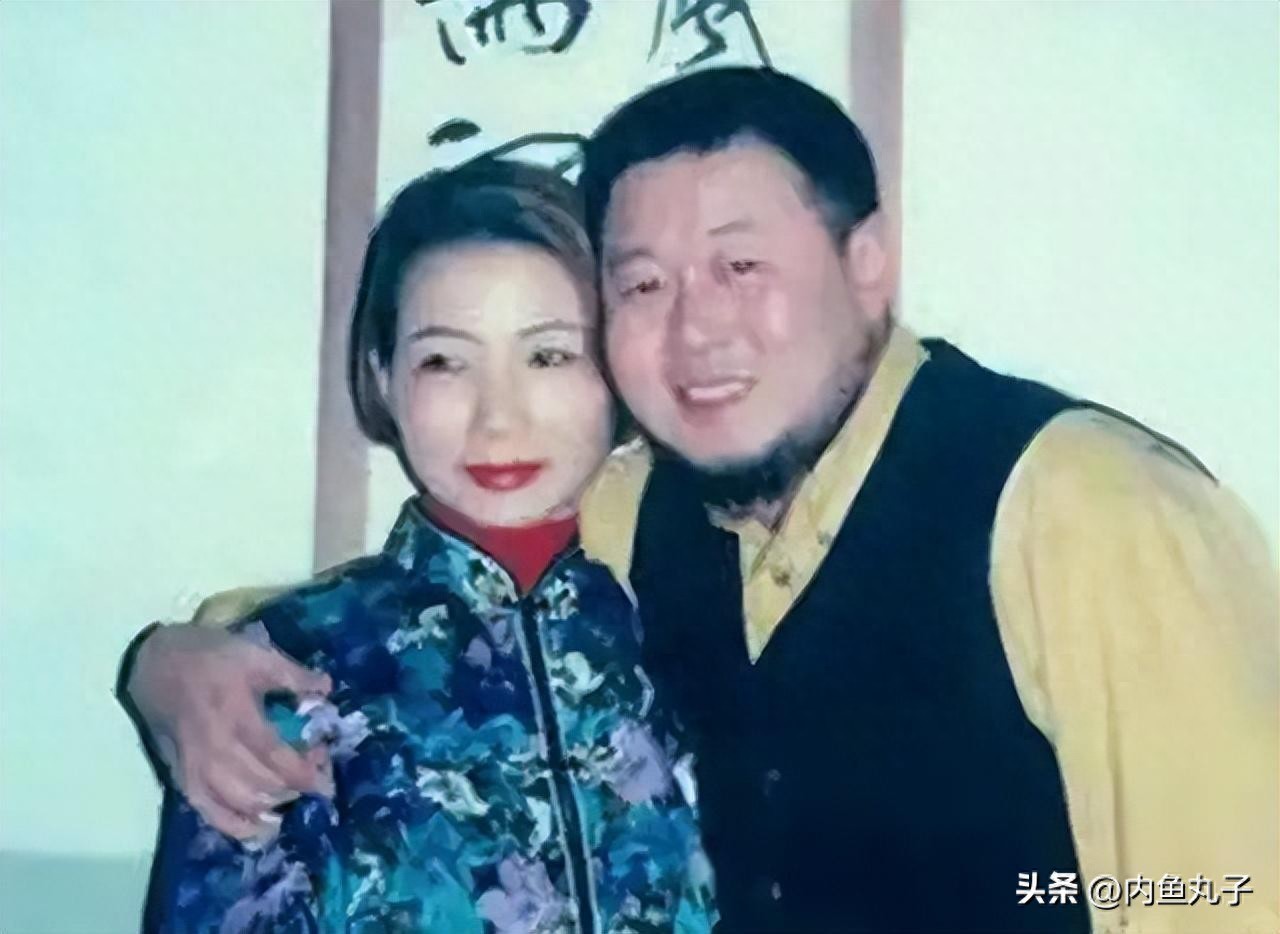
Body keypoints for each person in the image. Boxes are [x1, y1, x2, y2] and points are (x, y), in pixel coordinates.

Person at [122, 68, 1278, 933]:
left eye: (739, 264)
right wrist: (176, 661)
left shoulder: (1085, 512)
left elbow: (1219, 891)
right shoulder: (641, 513)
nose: (695, 328)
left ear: (866, 263)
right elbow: (443, 606)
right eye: (641, 284)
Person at [139, 158, 716, 933]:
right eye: (444, 361)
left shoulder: (703, 624)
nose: (498, 416)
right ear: (384, 378)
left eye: (549, 355)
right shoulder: (286, 664)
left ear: (616, 369)